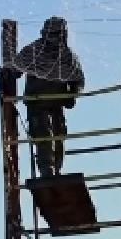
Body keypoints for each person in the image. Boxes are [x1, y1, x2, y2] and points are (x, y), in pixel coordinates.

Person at [11, 16, 85, 178]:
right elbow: (15, 69)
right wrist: (7, 74)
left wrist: (72, 94)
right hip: (37, 103)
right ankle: (47, 172)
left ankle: (56, 171)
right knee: (44, 135)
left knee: (58, 139)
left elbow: (78, 79)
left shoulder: (67, 56)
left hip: (56, 106)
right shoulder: (33, 51)